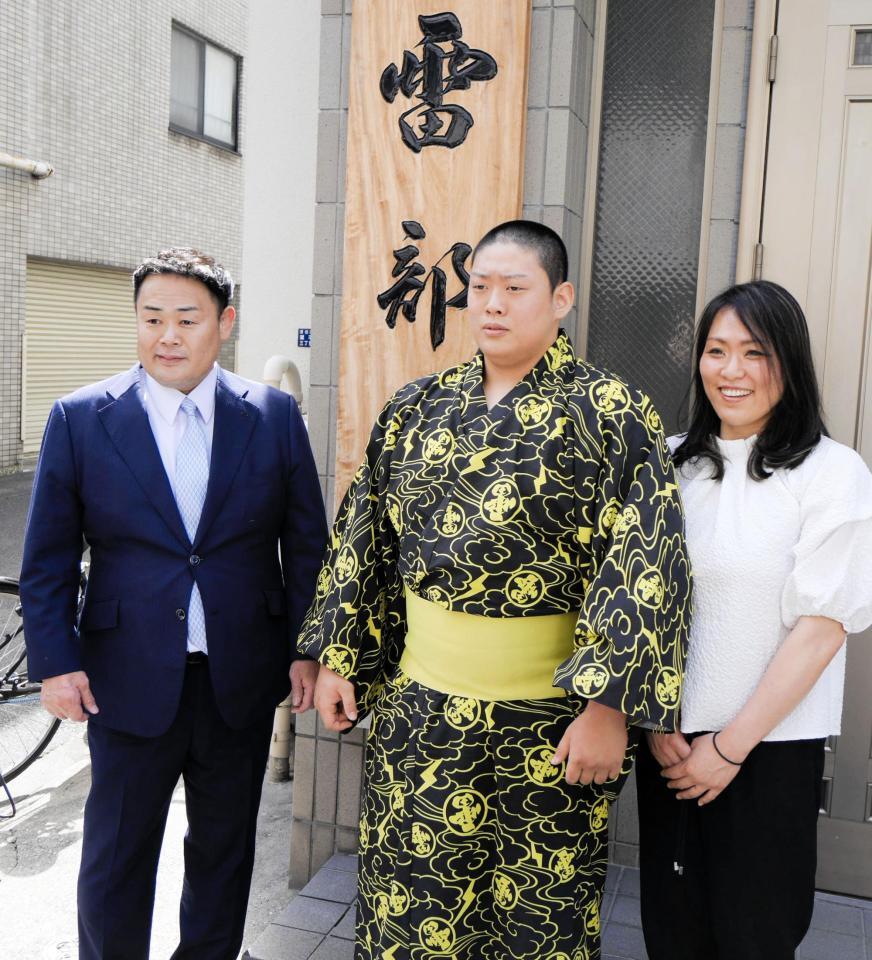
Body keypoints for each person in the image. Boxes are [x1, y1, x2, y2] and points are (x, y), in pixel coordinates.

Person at [299, 220, 691, 959]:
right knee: (409, 910)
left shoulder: (613, 414)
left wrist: (610, 708)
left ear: (561, 298)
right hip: (421, 714)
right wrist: (339, 657)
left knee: (537, 923)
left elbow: (647, 565)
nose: (493, 305)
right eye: (480, 287)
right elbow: (364, 541)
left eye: (516, 288)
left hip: (550, 725)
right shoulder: (417, 408)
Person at [20, 248, 328, 960]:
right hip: (124, 677)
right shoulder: (82, 417)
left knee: (223, 851)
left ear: (223, 322)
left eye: (186, 319)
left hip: (239, 677)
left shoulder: (273, 415)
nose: (167, 335)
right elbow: (48, 560)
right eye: (152, 318)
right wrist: (56, 664)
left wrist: (308, 649)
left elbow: (306, 547)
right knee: (116, 854)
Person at [636, 280, 872, 960]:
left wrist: (731, 746)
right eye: (716, 351)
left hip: (768, 752)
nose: (730, 371)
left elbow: (822, 627)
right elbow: (638, 603)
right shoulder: (672, 461)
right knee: (673, 934)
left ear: (788, 363)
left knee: (755, 938)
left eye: (753, 352)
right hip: (672, 747)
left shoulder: (831, 473)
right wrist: (655, 723)